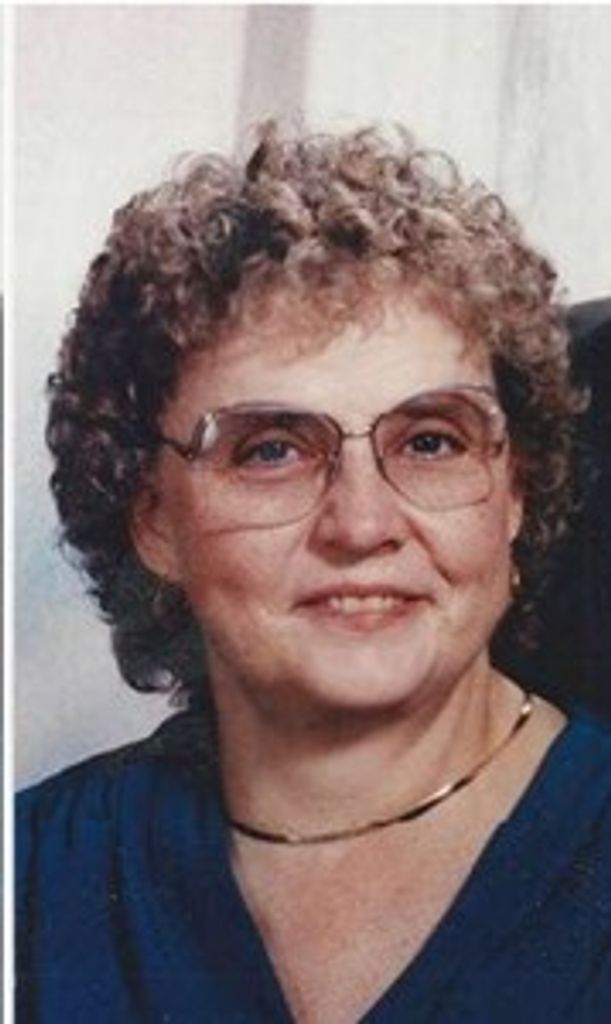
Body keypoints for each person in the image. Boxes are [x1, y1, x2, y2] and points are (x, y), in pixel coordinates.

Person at [16, 123, 611, 1023]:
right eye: (271, 451)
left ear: (515, 493)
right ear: (153, 522)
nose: (362, 524)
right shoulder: (29, 877)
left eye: (431, 441)